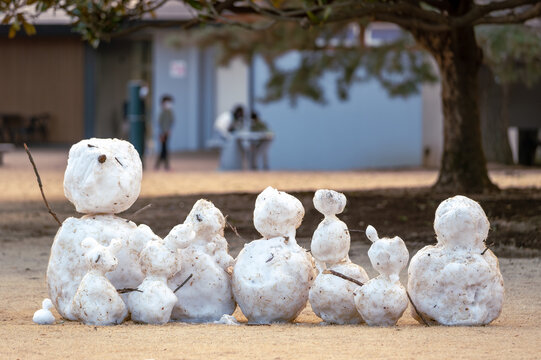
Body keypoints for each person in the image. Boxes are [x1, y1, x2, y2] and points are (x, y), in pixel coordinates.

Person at [155, 95, 174, 170]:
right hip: (163, 134)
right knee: (164, 150)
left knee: (164, 149)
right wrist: (162, 133)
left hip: (166, 133)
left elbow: (171, 121)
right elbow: (160, 123)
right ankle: (164, 165)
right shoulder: (163, 112)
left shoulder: (169, 112)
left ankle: (161, 165)